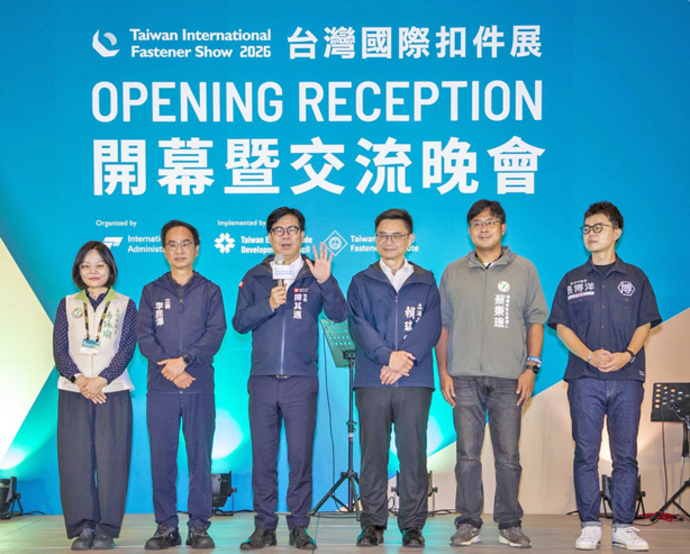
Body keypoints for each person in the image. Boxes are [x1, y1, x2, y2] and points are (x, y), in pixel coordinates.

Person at [232, 207, 347, 551]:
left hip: (300, 380)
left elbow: (339, 314)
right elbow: (239, 323)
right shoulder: (255, 276)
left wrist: (326, 281)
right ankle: (264, 527)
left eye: (292, 229)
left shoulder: (314, 273)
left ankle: (299, 527)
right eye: (278, 230)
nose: (285, 236)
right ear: (269, 236)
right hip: (263, 382)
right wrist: (268, 304)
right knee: (263, 461)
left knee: (300, 460)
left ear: (302, 235)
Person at [548, 202, 661, 551]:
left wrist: (627, 354)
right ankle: (590, 525)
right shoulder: (571, 279)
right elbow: (562, 326)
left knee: (625, 455)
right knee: (586, 453)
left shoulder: (636, 277)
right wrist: (589, 355)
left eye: (598, 227)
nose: (591, 234)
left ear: (616, 232)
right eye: (586, 228)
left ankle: (624, 526)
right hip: (585, 377)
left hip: (627, 377)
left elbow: (645, 323)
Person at [436, 199, 548, 549]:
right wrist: (444, 372)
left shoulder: (524, 269)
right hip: (464, 377)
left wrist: (531, 367)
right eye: (476, 223)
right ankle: (468, 522)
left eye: (490, 222)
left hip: (509, 378)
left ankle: (510, 522)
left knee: (508, 457)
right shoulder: (453, 272)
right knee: (467, 456)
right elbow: (443, 326)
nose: (483, 229)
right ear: (469, 231)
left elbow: (536, 320)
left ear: (503, 228)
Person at [347, 209, 441, 548]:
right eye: (382, 236)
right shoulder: (361, 281)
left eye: (396, 235)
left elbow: (432, 325)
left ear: (410, 239)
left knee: (413, 454)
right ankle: (372, 523)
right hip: (373, 379)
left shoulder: (426, 280)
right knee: (373, 454)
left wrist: (403, 361)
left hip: (414, 381)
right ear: (375, 239)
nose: (389, 241)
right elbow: (358, 325)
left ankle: (412, 525)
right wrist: (387, 357)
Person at [137, 220, 227, 550]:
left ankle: (199, 526)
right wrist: (172, 369)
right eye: (172, 244)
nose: (179, 250)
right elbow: (144, 336)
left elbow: (215, 334)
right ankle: (166, 526)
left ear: (196, 249)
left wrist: (185, 361)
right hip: (161, 387)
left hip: (198, 386)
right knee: (162, 460)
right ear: (164, 250)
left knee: (199, 460)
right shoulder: (151, 291)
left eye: (185, 244)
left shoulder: (210, 290)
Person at [53, 241, 137, 551]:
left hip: (112, 392)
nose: (93, 271)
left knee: (113, 461)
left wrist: (101, 380)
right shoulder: (66, 304)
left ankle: (106, 530)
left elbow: (127, 348)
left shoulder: (126, 304)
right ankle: (84, 527)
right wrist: (80, 381)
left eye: (99, 265)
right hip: (74, 393)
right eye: (86, 265)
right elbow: (59, 350)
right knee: (75, 461)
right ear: (78, 270)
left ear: (110, 269)